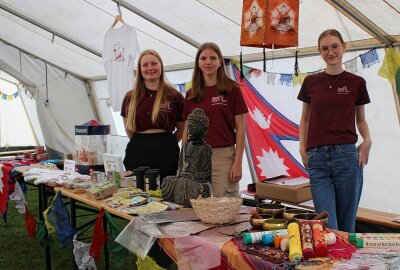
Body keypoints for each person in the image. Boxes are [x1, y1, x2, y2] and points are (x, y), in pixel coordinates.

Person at [297, 29, 372, 232]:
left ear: (343, 47)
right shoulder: (310, 82)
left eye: (335, 46)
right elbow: (304, 119)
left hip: (346, 158)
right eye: (325, 48)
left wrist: (367, 140)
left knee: (346, 226)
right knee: (326, 225)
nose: (331, 52)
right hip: (317, 161)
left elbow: (361, 121)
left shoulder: (357, 83)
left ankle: (345, 263)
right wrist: (302, 147)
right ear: (319, 52)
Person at [183, 42, 248, 198]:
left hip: (223, 157)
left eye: (213, 58)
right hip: (196, 158)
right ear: (198, 63)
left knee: (224, 206)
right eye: (203, 58)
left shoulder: (232, 90)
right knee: (199, 206)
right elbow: (186, 130)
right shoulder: (191, 94)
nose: (208, 62)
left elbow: (240, 129)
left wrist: (237, 163)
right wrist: (184, 161)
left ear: (220, 62)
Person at [121, 49, 184, 183]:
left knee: (166, 193)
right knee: (138, 194)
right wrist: (142, 142)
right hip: (137, 151)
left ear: (161, 66)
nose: (150, 68)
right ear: (140, 69)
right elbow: (128, 128)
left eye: (154, 63)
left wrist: (166, 142)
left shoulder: (174, 96)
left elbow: (182, 129)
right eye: (145, 65)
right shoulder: (129, 97)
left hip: (167, 152)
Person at [161, 108, 212, 207]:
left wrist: (192, 175)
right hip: (182, 178)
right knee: (167, 181)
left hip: (194, 182)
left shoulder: (205, 148)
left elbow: (207, 174)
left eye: (193, 127)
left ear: (203, 130)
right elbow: (180, 166)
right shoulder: (185, 146)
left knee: (201, 188)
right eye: (188, 127)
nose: (189, 130)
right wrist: (181, 173)